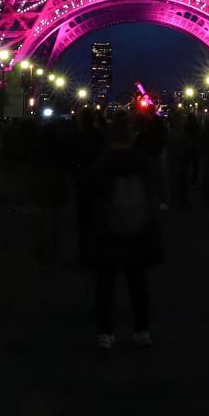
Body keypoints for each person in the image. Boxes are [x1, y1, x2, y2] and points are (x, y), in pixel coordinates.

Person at [80, 116, 162, 348]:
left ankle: (106, 332)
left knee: (105, 284)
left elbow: (88, 197)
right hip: (137, 228)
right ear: (131, 136)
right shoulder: (143, 161)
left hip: (106, 229)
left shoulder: (100, 164)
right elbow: (153, 195)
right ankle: (142, 330)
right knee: (137, 282)